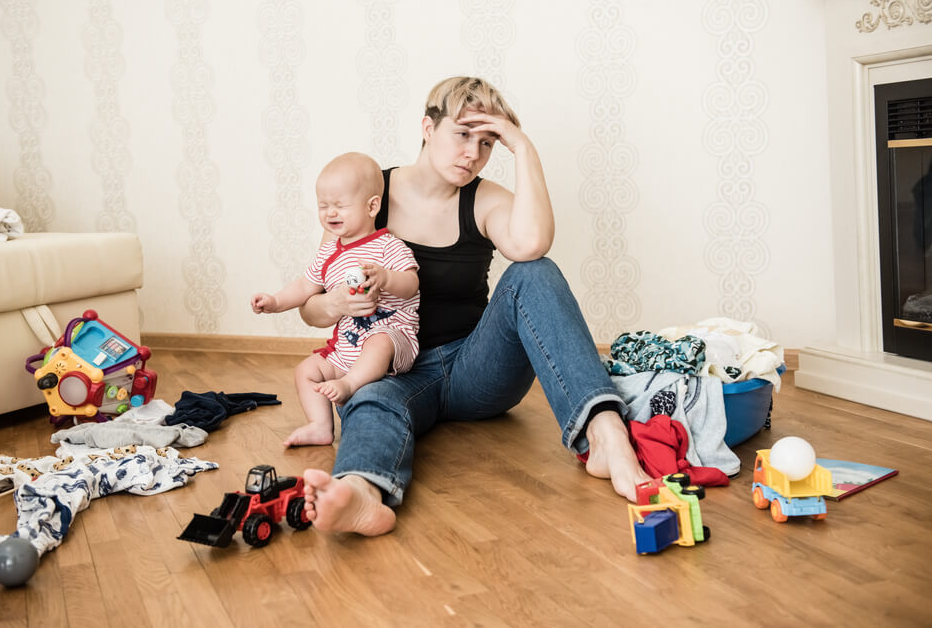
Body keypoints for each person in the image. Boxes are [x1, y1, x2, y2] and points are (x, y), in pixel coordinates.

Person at [297, 77, 651, 536]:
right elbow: (310, 307)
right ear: (428, 127)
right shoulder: (367, 194)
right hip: (389, 370)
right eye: (462, 135)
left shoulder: (483, 198)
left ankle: (605, 435)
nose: (473, 153)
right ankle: (363, 493)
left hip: (475, 370)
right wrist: (336, 302)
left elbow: (531, 243)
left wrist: (523, 149)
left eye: (487, 142)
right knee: (370, 399)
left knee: (533, 271)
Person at [251, 152, 420, 447]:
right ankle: (319, 425)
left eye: (340, 206)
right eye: (323, 206)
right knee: (306, 370)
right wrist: (275, 302)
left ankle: (350, 384)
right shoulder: (329, 254)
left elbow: (412, 283)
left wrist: (386, 278)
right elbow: (306, 285)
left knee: (378, 341)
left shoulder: (387, 246)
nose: (330, 214)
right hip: (348, 345)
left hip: (394, 340)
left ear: (372, 206)